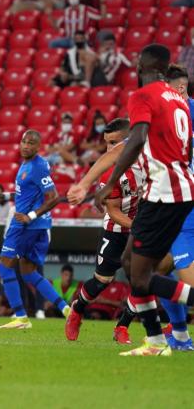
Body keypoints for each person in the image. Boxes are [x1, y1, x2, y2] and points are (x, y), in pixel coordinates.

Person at [91, 45, 194, 356]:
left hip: (164, 193)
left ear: (143, 65)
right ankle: (158, 340)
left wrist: (108, 183)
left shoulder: (144, 96)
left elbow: (134, 140)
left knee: (142, 272)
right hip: (173, 190)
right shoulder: (178, 100)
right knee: (131, 264)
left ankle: (159, 339)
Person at [65, 118, 140, 342]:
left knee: (142, 281)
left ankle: (122, 326)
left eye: (115, 143)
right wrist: (139, 226)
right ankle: (78, 308)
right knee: (102, 281)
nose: (111, 150)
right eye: (107, 144)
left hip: (142, 230)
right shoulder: (109, 174)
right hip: (116, 229)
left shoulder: (148, 163)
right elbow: (114, 211)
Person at [0, 130, 67, 329]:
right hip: (34, 225)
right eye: (24, 141)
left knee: (4, 266)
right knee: (28, 272)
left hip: (25, 225)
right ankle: (67, 309)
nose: (26, 145)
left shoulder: (38, 166)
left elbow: (53, 197)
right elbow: (25, 194)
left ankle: (21, 317)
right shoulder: (26, 165)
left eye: (31, 143)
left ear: (38, 147)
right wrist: (5, 197)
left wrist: (30, 216)